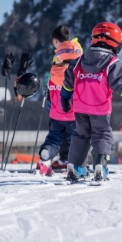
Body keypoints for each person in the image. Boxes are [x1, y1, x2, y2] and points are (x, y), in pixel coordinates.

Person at [62, 22, 122, 184]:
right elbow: (120, 85)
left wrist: (65, 97)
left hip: (80, 108)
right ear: (116, 43)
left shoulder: (79, 61)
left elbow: (68, 81)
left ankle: (75, 167)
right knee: (102, 135)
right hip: (100, 109)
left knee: (80, 135)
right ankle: (100, 166)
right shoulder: (112, 64)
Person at [36, 39, 82, 176]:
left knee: (54, 139)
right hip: (73, 116)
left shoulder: (52, 73)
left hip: (56, 115)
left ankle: (47, 153)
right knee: (75, 141)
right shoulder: (76, 75)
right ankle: (74, 165)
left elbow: (50, 93)